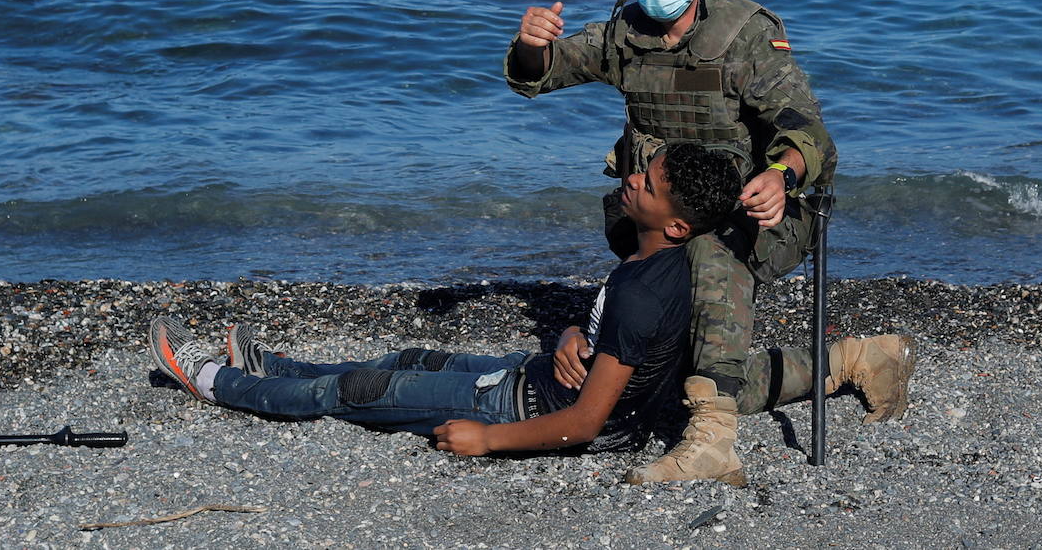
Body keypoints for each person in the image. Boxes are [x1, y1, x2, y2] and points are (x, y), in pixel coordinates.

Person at [505, 0, 912, 483]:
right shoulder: (625, 35)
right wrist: (530, 46)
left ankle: (714, 446)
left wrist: (779, 175)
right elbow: (541, 76)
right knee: (680, 381)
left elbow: (809, 132)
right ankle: (855, 360)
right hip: (660, 214)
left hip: (759, 215)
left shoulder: (744, 34)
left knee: (710, 255)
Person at [150, 144, 740, 457]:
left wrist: (486, 440)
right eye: (646, 169)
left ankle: (214, 382)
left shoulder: (644, 291)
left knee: (354, 393)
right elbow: (617, 340)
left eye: (650, 184)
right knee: (408, 359)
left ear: (679, 226)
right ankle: (274, 369)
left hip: (529, 410)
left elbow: (587, 423)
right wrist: (568, 337)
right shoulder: (654, 260)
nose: (634, 178)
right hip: (539, 379)